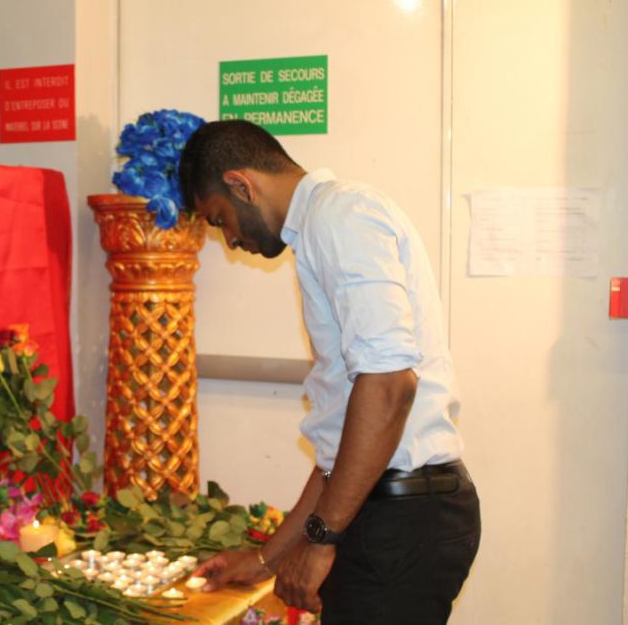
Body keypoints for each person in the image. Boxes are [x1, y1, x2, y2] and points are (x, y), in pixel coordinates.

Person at [179, 120, 480, 624]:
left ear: (240, 184)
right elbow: (342, 452)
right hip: (386, 509)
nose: (229, 239)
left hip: (401, 518)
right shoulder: (324, 225)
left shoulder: (340, 217)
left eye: (220, 219)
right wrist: (265, 559)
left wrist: (321, 540)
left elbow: (389, 386)